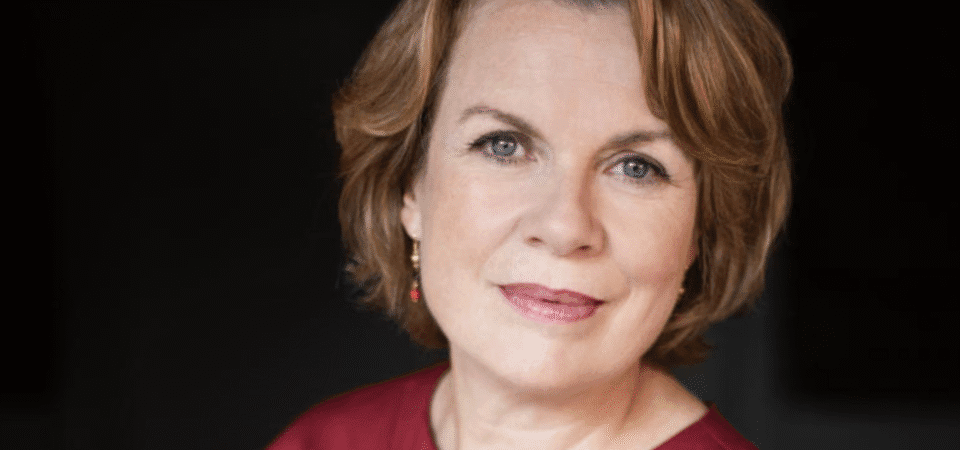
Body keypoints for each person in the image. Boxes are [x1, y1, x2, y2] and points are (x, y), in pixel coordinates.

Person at [269, 0, 791, 448]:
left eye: (636, 167)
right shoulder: (320, 441)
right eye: (504, 146)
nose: (565, 227)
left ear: (699, 230)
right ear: (411, 184)